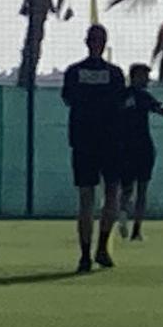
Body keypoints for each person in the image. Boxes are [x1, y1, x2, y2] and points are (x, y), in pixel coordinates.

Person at [61, 24, 126, 273]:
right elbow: (121, 102)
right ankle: (102, 248)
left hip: (83, 141)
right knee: (111, 195)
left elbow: (68, 99)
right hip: (110, 142)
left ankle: (85, 255)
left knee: (86, 199)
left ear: (87, 42)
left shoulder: (74, 72)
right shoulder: (115, 73)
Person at [117, 64, 163, 242]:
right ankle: (136, 230)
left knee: (126, 188)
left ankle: (123, 212)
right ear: (136, 77)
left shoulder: (120, 96)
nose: (148, 80)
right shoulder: (142, 96)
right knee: (142, 190)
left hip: (124, 148)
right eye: (145, 76)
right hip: (142, 148)